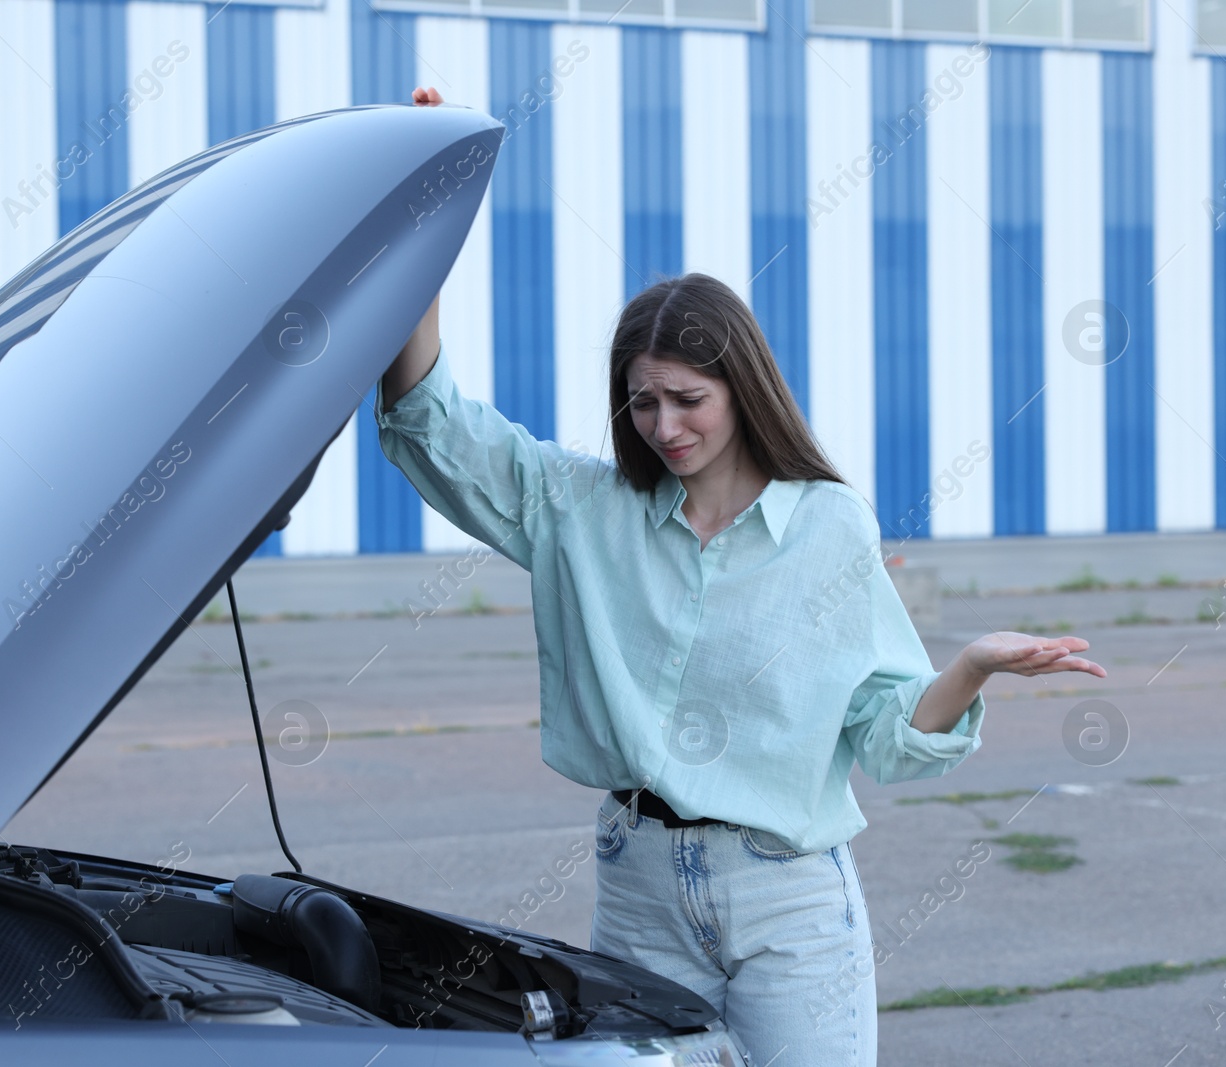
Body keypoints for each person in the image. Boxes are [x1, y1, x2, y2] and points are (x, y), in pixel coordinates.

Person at [375, 85, 1107, 1066]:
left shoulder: (827, 525)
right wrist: (432, 199)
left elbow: (888, 739)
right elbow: (430, 419)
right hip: (633, 881)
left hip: (786, 897)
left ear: (742, 387)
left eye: (688, 398)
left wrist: (970, 664)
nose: (664, 426)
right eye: (640, 403)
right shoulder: (579, 509)